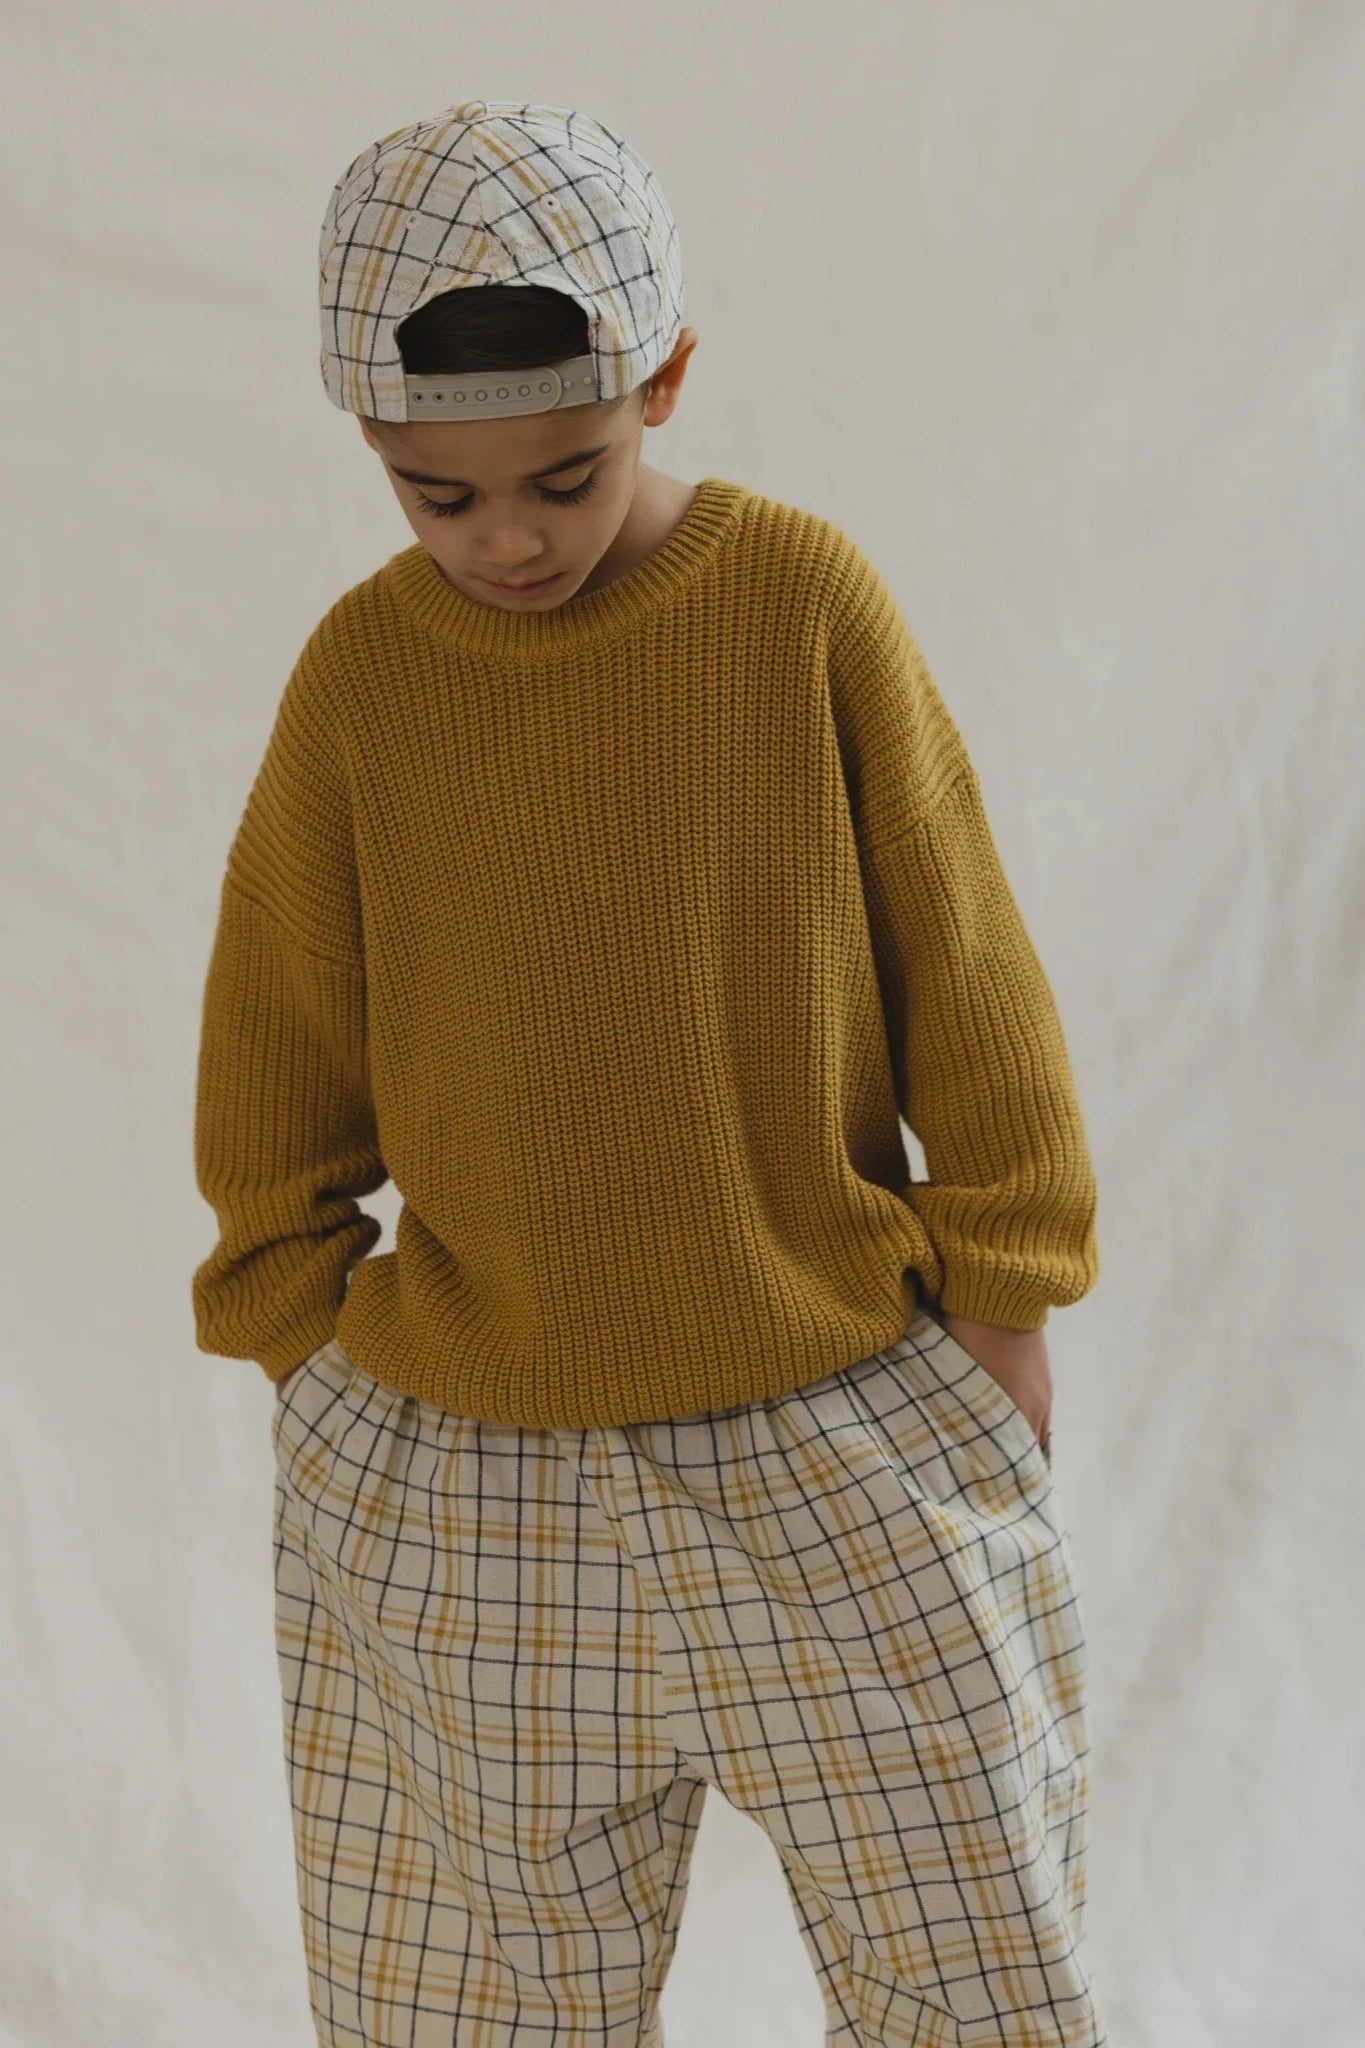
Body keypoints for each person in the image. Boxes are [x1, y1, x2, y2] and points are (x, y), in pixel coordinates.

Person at [191, 98, 1110, 2048]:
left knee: (983, 1985)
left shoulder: (798, 605)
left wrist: (1005, 1297)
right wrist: (306, 1343)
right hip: (462, 1482)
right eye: (437, 498)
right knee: (454, 2015)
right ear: (371, 446)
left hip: (833, 1426)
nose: (504, 538)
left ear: (666, 377)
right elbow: (275, 1033)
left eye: (563, 474)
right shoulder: (363, 675)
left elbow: (962, 963)